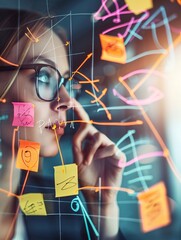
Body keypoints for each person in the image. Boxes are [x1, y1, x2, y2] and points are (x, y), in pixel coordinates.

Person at [0, 8, 126, 240]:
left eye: (65, 82)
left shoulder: (62, 210)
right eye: (44, 77)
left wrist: (102, 211)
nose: (67, 101)